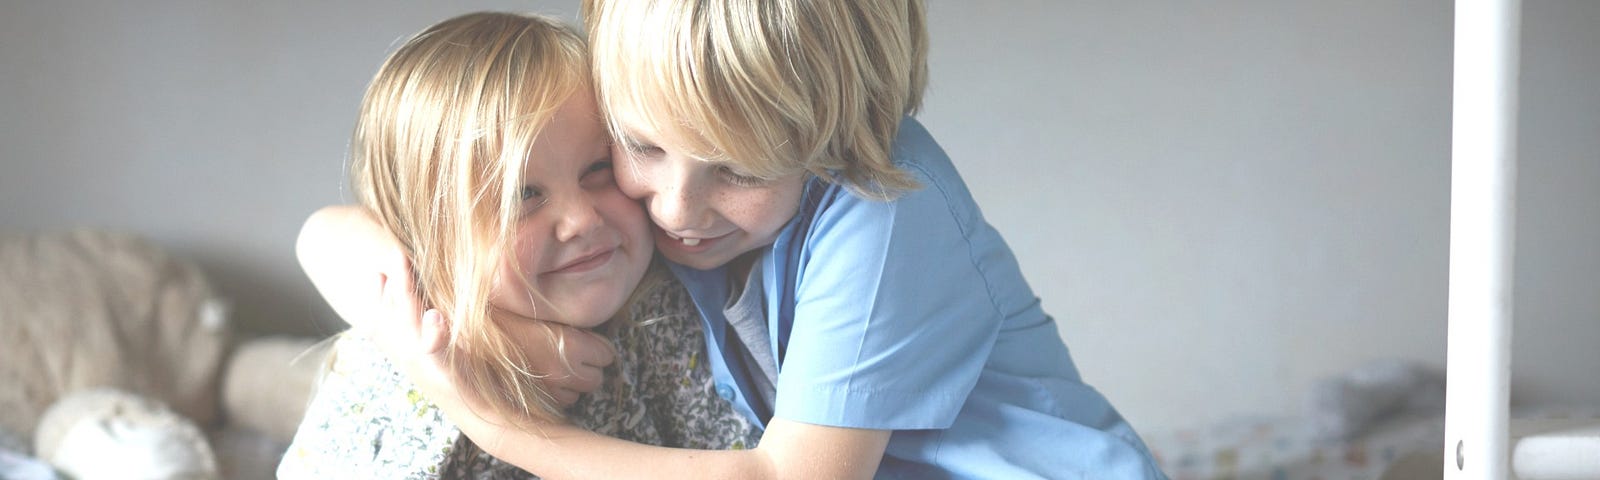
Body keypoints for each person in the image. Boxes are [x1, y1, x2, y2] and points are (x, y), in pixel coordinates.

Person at [392, 0, 1168, 478]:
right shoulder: (648, 182)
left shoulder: (886, 209)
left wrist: (495, 421)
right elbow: (334, 233)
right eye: (640, 146)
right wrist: (451, 326)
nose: (675, 209)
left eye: (737, 169)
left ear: (843, 131)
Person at [276, 12, 757, 478]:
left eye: (598, 169)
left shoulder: (667, 309)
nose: (582, 219)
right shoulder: (413, 350)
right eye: (523, 195)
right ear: (426, 235)